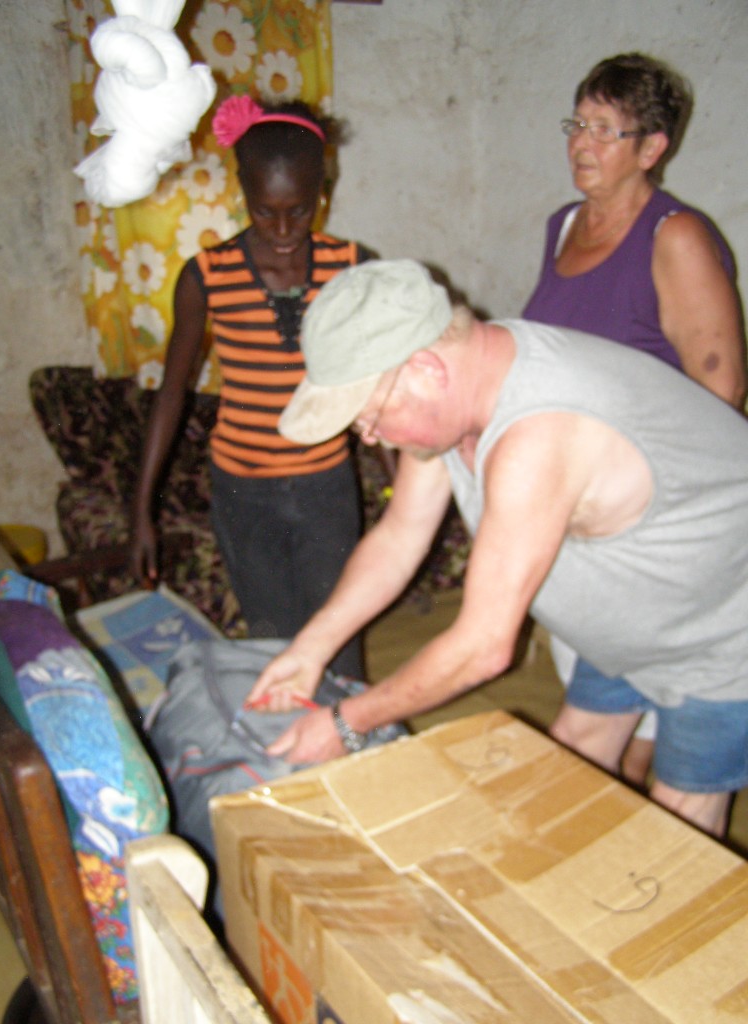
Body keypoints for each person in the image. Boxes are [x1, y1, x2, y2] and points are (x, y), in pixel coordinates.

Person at [246, 258, 748, 839]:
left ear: (425, 369)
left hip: (722, 638)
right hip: (639, 616)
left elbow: (483, 647)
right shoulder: (461, 391)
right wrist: (312, 647)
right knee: (572, 760)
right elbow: (400, 536)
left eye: (370, 418)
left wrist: (347, 722)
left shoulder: (540, 429)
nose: (372, 437)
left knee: (677, 833)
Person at [522, 52, 747, 784]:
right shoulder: (562, 227)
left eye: (606, 130)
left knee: (638, 712)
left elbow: (720, 394)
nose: (582, 144)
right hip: (573, 507)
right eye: (578, 124)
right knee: (590, 686)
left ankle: (646, 824)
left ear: (652, 148)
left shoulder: (674, 237)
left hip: (648, 522)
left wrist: (648, 511)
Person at [130, 96, 373, 677]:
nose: (284, 230)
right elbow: (172, 394)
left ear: (323, 189)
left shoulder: (351, 267)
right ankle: (290, 734)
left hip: (325, 490)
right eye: (266, 212)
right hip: (243, 495)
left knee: (339, 639)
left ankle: (353, 729)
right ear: (242, 190)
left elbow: (376, 378)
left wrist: (399, 491)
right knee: (273, 642)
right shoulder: (206, 275)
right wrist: (141, 511)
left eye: (300, 210)